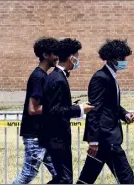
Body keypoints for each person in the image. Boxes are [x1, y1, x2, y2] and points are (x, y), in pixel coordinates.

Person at [76, 39, 134, 184]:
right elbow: (94, 109)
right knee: (126, 177)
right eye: (122, 58)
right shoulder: (100, 78)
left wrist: (125, 114)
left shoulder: (110, 77)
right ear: (112, 58)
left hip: (106, 138)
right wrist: (93, 140)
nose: (124, 61)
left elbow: (111, 105)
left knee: (86, 179)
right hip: (106, 138)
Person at [41, 38, 94, 184]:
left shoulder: (55, 76)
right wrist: (80, 109)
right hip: (57, 138)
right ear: (71, 57)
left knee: (61, 178)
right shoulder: (58, 79)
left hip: (56, 137)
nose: (78, 60)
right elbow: (55, 110)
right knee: (65, 179)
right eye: (77, 56)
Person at [13, 37, 59, 184]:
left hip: (43, 135)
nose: (57, 57)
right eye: (55, 54)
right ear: (46, 55)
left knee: (61, 174)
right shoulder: (38, 77)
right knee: (28, 174)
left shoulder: (43, 76)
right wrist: (57, 108)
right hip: (35, 136)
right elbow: (33, 109)